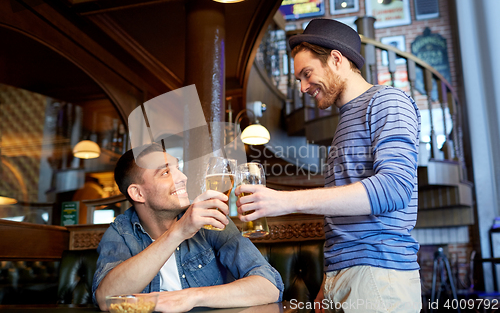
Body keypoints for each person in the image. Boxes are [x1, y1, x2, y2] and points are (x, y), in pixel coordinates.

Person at [235, 18, 421, 312]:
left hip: (378, 273)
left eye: (306, 74)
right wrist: (329, 282)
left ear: (336, 59)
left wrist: (284, 201)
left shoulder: (387, 101)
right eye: (298, 79)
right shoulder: (346, 118)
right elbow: (347, 219)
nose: (303, 87)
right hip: (347, 275)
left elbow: (394, 189)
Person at [92, 143, 283, 312]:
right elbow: (106, 299)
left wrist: (191, 297)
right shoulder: (121, 232)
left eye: (178, 168)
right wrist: (178, 232)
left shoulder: (210, 218)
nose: (182, 177)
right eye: (166, 172)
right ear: (138, 193)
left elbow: (269, 286)